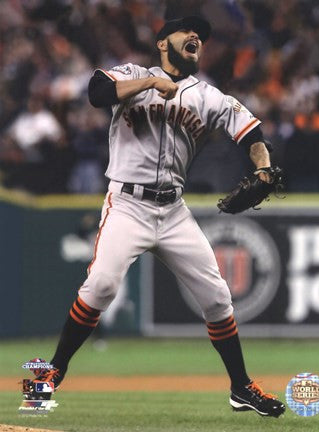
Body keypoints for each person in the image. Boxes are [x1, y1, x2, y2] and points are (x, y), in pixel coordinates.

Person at [28, 16, 285, 417]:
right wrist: (149, 83)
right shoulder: (132, 73)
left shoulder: (208, 96)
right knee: (101, 286)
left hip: (173, 210)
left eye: (203, 34)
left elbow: (251, 133)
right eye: (188, 31)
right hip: (127, 204)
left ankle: (241, 388)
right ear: (163, 42)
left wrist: (264, 167)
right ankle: (49, 374)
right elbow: (97, 92)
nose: (198, 36)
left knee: (218, 298)